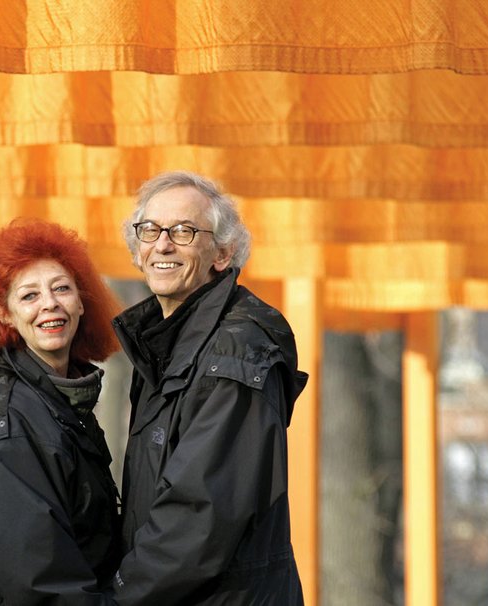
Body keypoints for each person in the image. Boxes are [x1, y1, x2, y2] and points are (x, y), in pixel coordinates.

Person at [110, 171, 309, 604]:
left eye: (184, 231)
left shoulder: (236, 349)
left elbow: (202, 515)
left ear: (223, 252)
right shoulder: (166, 343)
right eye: (150, 230)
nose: (162, 244)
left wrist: (118, 595)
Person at [0, 219, 125, 605]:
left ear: (81, 301)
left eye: (61, 288)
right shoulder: (3, 417)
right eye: (29, 296)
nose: (50, 304)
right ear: (4, 315)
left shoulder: (58, 402)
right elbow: (35, 579)